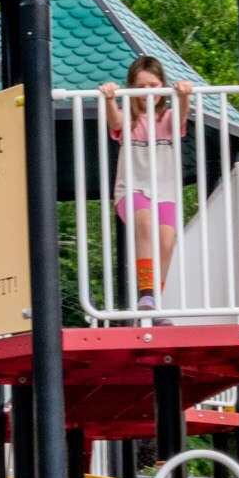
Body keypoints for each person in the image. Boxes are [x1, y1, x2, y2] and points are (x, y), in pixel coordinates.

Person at [95, 56, 192, 311]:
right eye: (141, 87)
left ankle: (155, 302)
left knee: (167, 240)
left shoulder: (168, 117)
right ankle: (147, 292)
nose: (148, 92)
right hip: (132, 189)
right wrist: (109, 99)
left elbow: (181, 116)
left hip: (165, 191)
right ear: (132, 89)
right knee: (146, 223)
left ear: (163, 86)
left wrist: (184, 96)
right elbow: (116, 123)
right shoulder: (130, 118)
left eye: (153, 85)